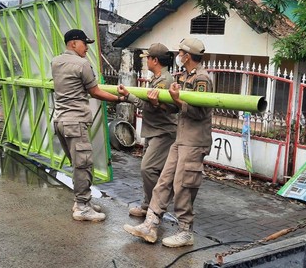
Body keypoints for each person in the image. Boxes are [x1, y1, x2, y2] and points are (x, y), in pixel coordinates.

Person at [123, 37, 213, 248]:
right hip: (180, 138)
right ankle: (151, 224)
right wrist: (161, 102)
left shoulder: (202, 79)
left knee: (183, 186)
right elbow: (173, 109)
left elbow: (200, 113)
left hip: (194, 140)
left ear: (187, 56)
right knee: (164, 181)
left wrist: (178, 100)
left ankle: (185, 231)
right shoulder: (182, 77)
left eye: (181, 53)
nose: (178, 56)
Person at [51, 29, 128, 222]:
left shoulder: (56, 61)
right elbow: (95, 92)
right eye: (85, 44)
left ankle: (81, 201)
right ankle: (83, 207)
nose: (86, 48)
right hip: (75, 122)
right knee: (83, 165)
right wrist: (119, 99)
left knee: (78, 164)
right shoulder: (82, 64)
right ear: (73, 43)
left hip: (60, 120)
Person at [119, 43, 177, 217]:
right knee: (151, 170)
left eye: (148, 59)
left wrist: (129, 97)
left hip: (163, 132)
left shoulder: (165, 81)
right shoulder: (157, 78)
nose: (146, 62)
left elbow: (150, 107)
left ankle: (155, 207)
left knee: (148, 169)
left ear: (155, 60)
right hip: (152, 130)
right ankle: (148, 205)